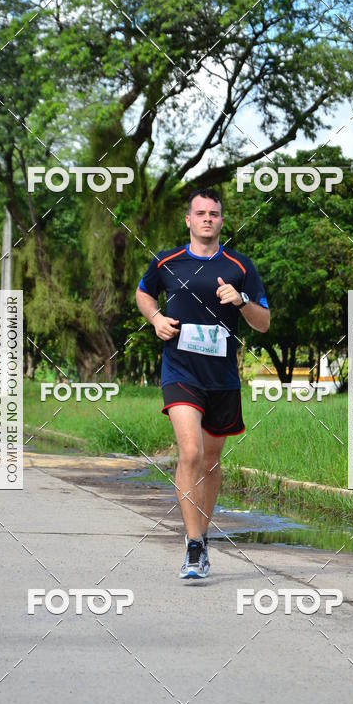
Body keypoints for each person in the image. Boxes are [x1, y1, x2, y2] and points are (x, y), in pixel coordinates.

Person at [135, 188, 270, 579]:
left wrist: (242, 301)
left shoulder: (239, 267)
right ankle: (193, 547)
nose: (207, 218)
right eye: (200, 213)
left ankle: (203, 536)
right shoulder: (167, 261)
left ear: (222, 221)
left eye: (214, 213)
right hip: (180, 372)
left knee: (211, 462)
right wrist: (156, 319)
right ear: (188, 220)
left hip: (223, 378)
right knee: (191, 453)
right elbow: (144, 293)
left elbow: (263, 322)